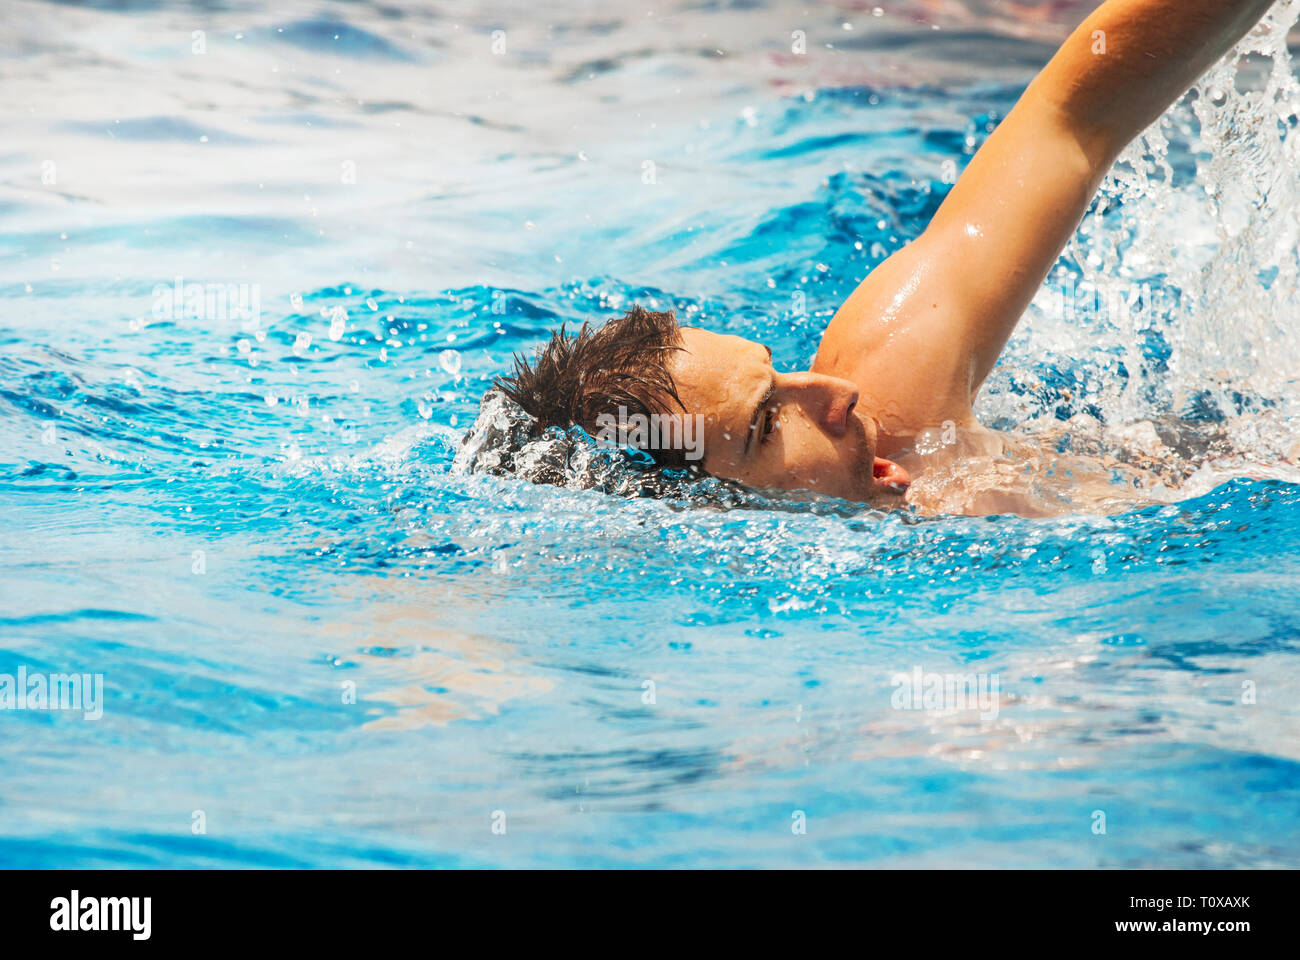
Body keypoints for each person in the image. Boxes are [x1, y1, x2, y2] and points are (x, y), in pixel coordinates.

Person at [486, 0, 1283, 516]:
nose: (833, 391)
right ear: (707, 514)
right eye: (766, 423)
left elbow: (1070, 123)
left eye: (780, 373)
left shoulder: (899, 400)